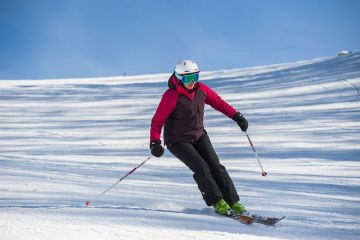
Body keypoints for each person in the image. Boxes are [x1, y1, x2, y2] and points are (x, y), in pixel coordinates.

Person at [149, 60, 248, 216]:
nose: (192, 82)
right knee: (201, 167)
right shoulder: (171, 96)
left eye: (195, 77)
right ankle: (217, 202)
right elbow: (157, 121)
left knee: (216, 166)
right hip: (178, 140)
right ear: (179, 77)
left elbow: (219, 103)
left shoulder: (201, 89)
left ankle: (233, 202)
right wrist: (155, 142)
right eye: (188, 79)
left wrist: (236, 116)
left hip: (199, 135)